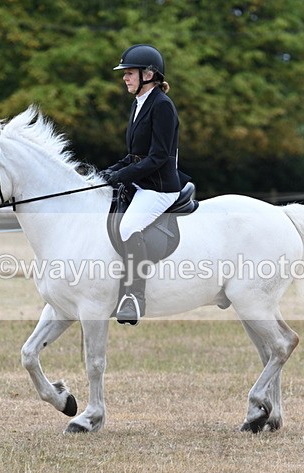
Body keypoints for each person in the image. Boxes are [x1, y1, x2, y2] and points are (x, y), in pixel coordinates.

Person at [99, 44, 183, 325]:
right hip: (143, 182)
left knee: (129, 226)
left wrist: (124, 176)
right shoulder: (139, 103)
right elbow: (134, 155)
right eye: (125, 73)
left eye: (129, 72)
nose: (124, 77)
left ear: (149, 74)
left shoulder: (162, 106)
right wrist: (109, 172)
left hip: (159, 187)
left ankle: (134, 297)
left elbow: (158, 157)